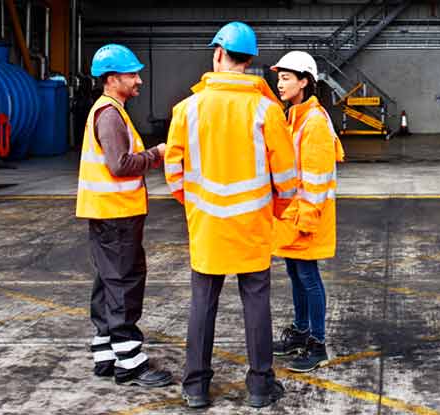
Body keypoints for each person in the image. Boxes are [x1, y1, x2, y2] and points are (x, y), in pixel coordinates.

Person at [163, 22, 298, 409]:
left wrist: (195, 205)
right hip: (252, 225)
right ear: (250, 60)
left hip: (206, 225)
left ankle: (195, 387)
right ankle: (259, 386)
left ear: (219, 54)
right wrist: (276, 209)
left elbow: (173, 171)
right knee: (256, 303)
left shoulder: (187, 109)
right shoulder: (266, 111)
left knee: (202, 303)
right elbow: (287, 179)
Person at [75, 43, 172, 388]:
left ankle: (105, 354)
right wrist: (156, 154)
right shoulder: (111, 115)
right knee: (124, 284)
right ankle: (130, 362)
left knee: (107, 281)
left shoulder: (108, 109)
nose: (139, 80)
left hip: (107, 214)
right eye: (132, 74)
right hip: (116, 216)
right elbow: (120, 165)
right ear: (113, 78)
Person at [269, 51, 344, 373]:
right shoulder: (294, 116)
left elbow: (316, 176)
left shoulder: (314, 122)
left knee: (309, 278)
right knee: (295, 275)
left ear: (304, 82)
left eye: (286, 78)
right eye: (279, 77)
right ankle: (300, 332)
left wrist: (306, 219)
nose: (279, 83)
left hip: (307, 216)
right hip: (292, 214)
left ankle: (318, 342)